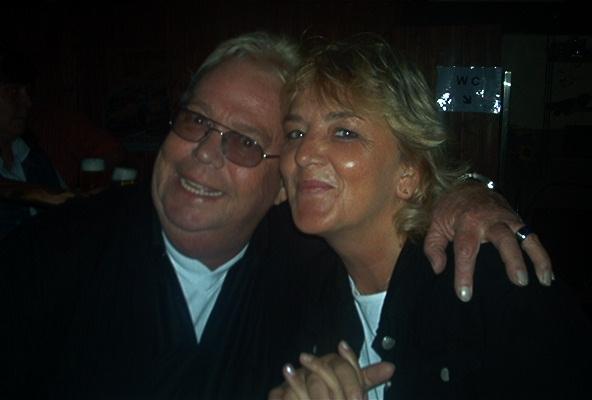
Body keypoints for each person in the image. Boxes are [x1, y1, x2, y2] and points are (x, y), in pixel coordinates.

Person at [1, 32, 553, 399]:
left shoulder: (309, 270)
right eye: (196, 121)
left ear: (278, 189)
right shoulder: (52, 254)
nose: (205, 152)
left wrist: (467, 192)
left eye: (245, 141)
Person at [269, 34, 592, 400]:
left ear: (409, 173)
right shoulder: (301, 289)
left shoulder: (492, 285)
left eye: (344, 132)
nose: (303, 154)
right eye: (295, 133)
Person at [0, 48, 72, 238]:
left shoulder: (35, 158)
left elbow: (69, 218)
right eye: (13, 91)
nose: (27, 103)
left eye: (27, 92)